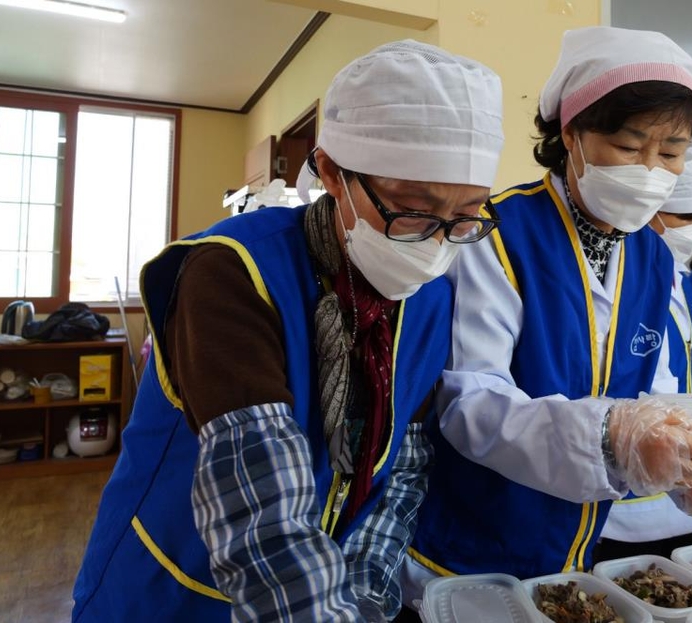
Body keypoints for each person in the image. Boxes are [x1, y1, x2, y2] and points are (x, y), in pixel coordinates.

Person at [71, 40, 505, 622]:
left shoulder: (429, 298)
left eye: (466, 215)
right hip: (173, 596)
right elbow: (262, 516)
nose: (433, 241)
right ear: (330, 172)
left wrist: (367, 590)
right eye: (411, 208)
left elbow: (404, 462)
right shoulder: (234, 273)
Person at [401, 27, 692, 609]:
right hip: (469, 549)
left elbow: (660, 400)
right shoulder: (497, 235)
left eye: (671, 153)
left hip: (576, 555)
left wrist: (685, 470)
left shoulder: (653, 257)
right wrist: (608, 436)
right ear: (571, 134)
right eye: (629, 148)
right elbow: (471, 402)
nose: (650, 170)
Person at [593, 153, 692, 563]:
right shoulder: (615, 283)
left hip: (681, 494)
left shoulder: (682, 279)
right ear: (651, 212)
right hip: (623, 505)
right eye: (687, 217)